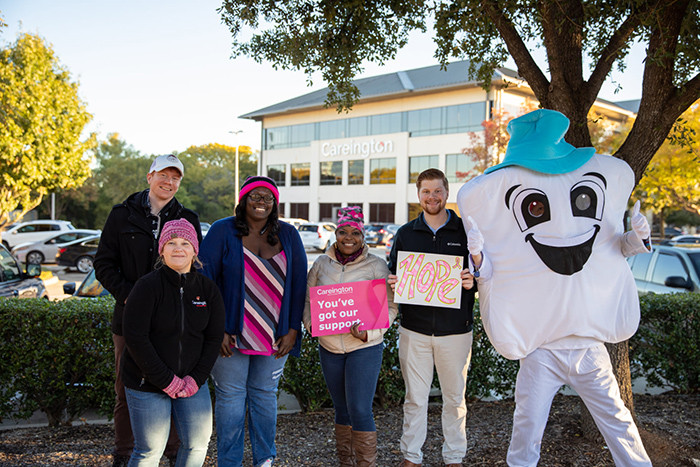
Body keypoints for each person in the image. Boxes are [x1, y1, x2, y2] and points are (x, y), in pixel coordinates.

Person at [457, 109, 652, 466]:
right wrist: (479, 256)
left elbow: (611, 251)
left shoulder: (592, 208)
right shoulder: (510, 226)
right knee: (527, 427)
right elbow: (493, 274)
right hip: (541, 348)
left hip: (588, 346)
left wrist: (636, 237)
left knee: (617, 420)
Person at [94, 154, 202, 467]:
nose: (169, 183)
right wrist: (131, 297)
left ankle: (171, 452)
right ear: (149, 176)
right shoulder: (121, 215)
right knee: (127, 389)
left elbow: (195, 268)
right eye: (163, 176)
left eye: (175, 178)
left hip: (174, 322)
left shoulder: (187, 218)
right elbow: (103, 263)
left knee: (173, 383)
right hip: (129, 318)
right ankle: (125, 452)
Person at [198, 175, 307, 467]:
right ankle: (229, 461)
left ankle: (265, 459)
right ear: (243, 200)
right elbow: (205, 282)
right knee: (231, 399)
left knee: (265, 397)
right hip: (230, 333)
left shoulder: (288, 234)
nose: (261, 202)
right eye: (255, 196)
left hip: (275, 332)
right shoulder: (222, 230)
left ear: (275, 204)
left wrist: (293, 328)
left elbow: (298, 285)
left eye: (268, 198)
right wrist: (216, 329)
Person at [387, 168, 477, 467]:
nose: (432, 197)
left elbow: (487, 273)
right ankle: (411, 457)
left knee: (455, 400)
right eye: (426, 191)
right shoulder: (405, 234)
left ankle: (454, 457)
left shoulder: (467, 232)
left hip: (456, 332)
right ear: (418, 195)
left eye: (437, 191)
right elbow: (393, 273)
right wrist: (395, 283)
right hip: (415, 331)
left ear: (447, 193)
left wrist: (472, 281)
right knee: (415, 399)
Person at [122, 219, 224, 466]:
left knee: (197, 445)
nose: (178, 248)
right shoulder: (146, 287)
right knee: (149, 450)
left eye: (185, 243)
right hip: (147, 382)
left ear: (194, 250)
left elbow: (213, 339)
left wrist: (194, 380)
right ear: (162, 250)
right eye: (171, 243)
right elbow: (136, 338)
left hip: (191, 382)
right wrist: (165, 380)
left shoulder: (207, 289)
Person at [303, 206, 399, 467]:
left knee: (359, 408)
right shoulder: (322, 263)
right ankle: (346, 462)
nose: (348, 237)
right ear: (336, 234)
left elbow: (390, 307)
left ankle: (365, 463)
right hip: (330, 347)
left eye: (354, 232)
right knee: (342, 409)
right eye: (342, 231)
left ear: (362, 235)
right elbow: (308, 300)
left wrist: (371, 331)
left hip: (364, 347)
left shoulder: (376, 265)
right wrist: (311, 323)